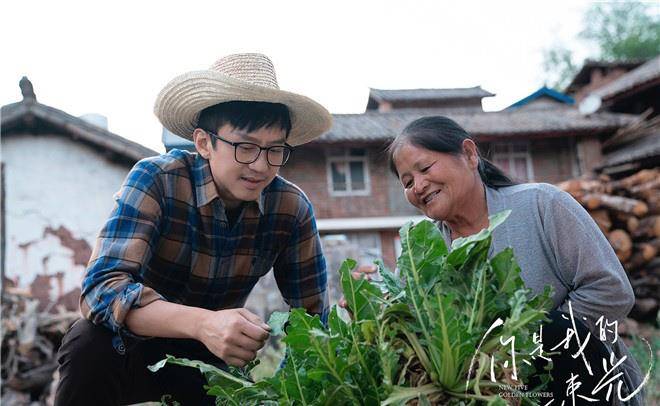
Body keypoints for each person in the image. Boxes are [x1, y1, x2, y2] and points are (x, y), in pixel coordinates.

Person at [55, 53, 332, 405]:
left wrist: (288, 391)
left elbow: (311, 322)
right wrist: (203, 323)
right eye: (245, 147)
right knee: (88, 342)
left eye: (275, 150)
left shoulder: (291, 208)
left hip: (212, 364)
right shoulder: (157, 179)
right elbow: (101, 291)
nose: (261, 165)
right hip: (132, 347)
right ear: (204, 143)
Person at [383, 116, 645, 405]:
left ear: (469, 154)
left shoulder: (543, 205)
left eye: (425, 168)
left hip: (579, 388)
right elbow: (415, 333)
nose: (418, 186)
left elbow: (612, 292)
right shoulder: (423, 252)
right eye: (407, 182)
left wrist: (521, 348)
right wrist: (380, 314)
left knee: (552, 325)